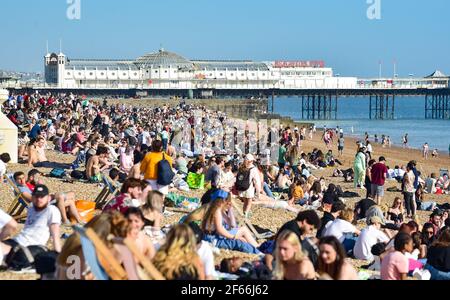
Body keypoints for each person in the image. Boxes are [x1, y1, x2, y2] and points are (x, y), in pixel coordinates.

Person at [2, 185, 62, 268]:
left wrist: (58, 254)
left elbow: (55, 234)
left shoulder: (51, 210)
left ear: (48, 198)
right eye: (36, 196)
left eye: (42, 197)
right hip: (18, 241)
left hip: (30, 246)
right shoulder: (31, 209)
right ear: (32, 197)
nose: (39, 199)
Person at [236, 154, 261, 218]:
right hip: (249, 188)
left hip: (241, 188)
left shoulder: (241, 167)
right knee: (249, 203)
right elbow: (257, 181)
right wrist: (258, 192)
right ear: (251, 161)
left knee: (245, 203)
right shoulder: (253, 169)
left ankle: (244, 213)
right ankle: (245, 215)